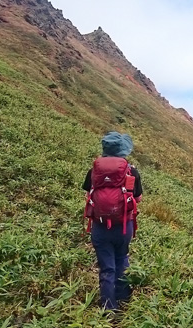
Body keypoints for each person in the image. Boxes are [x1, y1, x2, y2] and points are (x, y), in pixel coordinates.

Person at [82, 131, 143, 310]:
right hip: (124, 225)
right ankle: (124, 297)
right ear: (123, 151)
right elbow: (137, 199)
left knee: (107, 267)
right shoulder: (132, 171)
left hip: (100, 227)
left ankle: (109, 309)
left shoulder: (93, 171)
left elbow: (89, 195)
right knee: (122, 258)